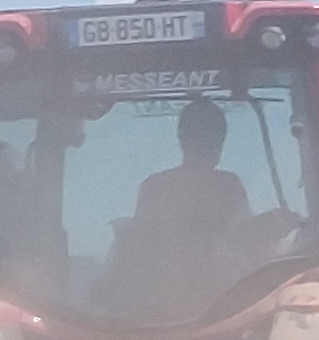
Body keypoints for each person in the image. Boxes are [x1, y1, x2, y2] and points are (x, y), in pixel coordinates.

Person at [108, 98, 255, 289]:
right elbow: (243, 242)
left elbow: (139, 250)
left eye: (212, 136)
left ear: (181, 138)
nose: (209, 143)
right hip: (212, 297)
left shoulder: (154, 187)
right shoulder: (229, 186)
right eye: (207, 136)